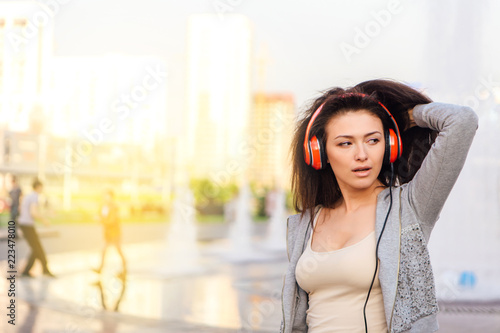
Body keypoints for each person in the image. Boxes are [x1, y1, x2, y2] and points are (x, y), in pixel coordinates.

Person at [280, 79, 478, 333]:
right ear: (319, 153)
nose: (361, 154)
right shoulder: (307, 222)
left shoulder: (410, 207)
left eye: (373, 140)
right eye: (345, 143)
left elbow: (462, 121)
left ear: (389, 145)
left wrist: (406, 116)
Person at [18, 178, 55, 277]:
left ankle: (28, 271)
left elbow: (23, 209)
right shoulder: (34, 196)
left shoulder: (28, 196)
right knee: (37, 248)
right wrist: (44, 220)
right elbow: (33, 212)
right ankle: (44, 270)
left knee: (36, 248)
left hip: (25, 224)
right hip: (27, 225)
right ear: (39, 187)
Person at [94, 189, 126, 278]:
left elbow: (112, 220)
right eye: (105, 196)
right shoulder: (104, 206)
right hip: (107, 232)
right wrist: (99, 219)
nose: (106, 198)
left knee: (118, 250)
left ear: (112, 197)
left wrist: (102, 220)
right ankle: (100, 268)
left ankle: (124, 269)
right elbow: (102, 216)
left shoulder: (114, 207)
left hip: (115, 232)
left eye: (108, 196)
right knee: (104, 250)